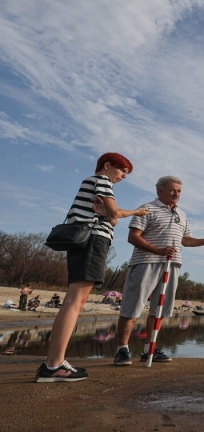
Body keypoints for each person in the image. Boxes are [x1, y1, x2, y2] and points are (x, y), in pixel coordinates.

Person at [35, 153, 148, 383]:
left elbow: (113, 218)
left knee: (75, 301)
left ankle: (53, 362)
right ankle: (54, 365)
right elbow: (114, 214)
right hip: (92, 241)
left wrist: (113, 213)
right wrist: (120, 213)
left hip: (88, 241)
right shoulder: (101, 181)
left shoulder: (93, 184)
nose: (124, 176)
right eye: (122, 170)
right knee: (75, 302)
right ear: (107, 165)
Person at [113, 176, 204, 366]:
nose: (177, 194)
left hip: (172, 264)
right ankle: (122, 350)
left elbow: (186, 240)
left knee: (159, 310)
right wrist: (158, 250)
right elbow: (133, 237)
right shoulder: (147, 208)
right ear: (160, 191)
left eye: (179, 191)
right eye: (173, 190)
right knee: (131, 308)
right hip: (145, 262)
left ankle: (150, 348)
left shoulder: (182, 214)